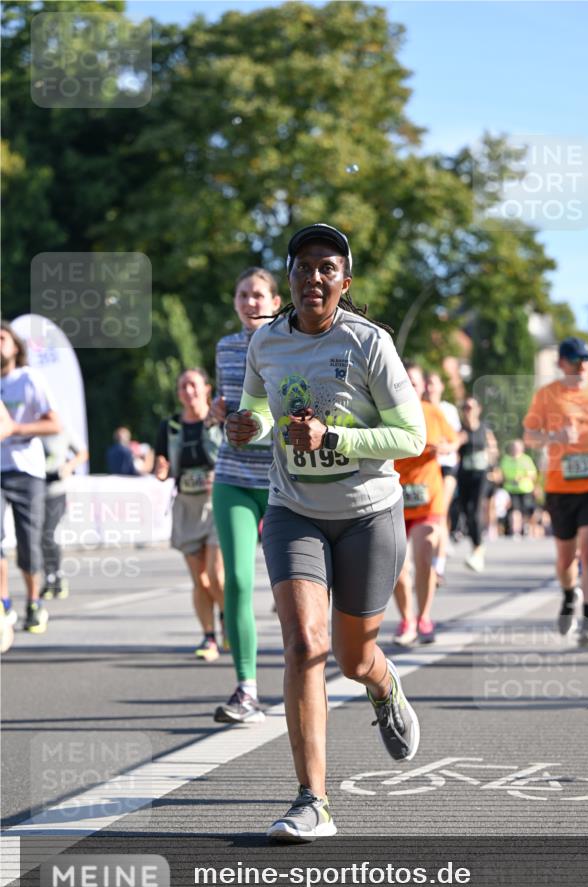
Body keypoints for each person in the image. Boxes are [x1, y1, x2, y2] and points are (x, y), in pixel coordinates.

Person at [225, 223, 426, 842]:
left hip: (369, 511)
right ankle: (313, 799)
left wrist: (335, 437)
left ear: (345, 282)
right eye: (304, 266)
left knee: (351, 656)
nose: (314, 277)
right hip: (295, 509)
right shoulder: (268, 344)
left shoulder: (369, 343)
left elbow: (411, 437)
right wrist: (247, 426)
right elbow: (260, 408)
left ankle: (384, 683)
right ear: (289, 278)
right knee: (302, 644)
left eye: (327, 268)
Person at [523, 336, 588, 648]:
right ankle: (570, 594)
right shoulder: (547, 395)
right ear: (561, 364)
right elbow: (529, 436)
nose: (583, 366)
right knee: (565, 558)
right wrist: (554, 436)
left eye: (587, 360)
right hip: (560, 486)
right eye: (575, 360)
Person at [210, 268, 281, 724]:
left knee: (297, 588)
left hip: (282, 480)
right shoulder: (225, 347)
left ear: (275, 300)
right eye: (243, 295)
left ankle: (317, 668)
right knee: (236, 581)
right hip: (233, 476)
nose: (250, 302)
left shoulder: (289, 344)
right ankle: (247, 689)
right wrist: (220, 411)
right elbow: (226, 405)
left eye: (258, 295)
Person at [154, 368, 225, 660]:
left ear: (207, 389)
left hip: (217, 502)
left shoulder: (220, 419)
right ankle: (209, 637)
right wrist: (160, 469)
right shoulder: (170, 425)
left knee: (214, 575)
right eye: (183, 386)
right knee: (200, 580)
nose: (189, 391)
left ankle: (230, 621)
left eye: (193, 385)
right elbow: (161, 459)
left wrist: (219, 474)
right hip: (186, 504)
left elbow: (237, 451)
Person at [1, 321, 61, 635]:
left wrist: (15, 429)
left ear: (15, 346)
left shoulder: (29, 379)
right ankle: (4, 604)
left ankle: (34, 602)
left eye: (1, 338)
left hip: (27, 471)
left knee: (28, 544)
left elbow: (54, 425)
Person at [393, 362, 458, 645]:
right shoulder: (387, 411)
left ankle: (424, 617)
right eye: (404, 381)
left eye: (415, 382)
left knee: (423, 558)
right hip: (395, 496)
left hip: (428, 496)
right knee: (396, 565)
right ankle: (407, 619)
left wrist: (444, 448)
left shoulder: (433, 412)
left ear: (422, 387)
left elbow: (454, 441)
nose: (410, 386)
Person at [41, 424, 89, 599]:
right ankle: (49, 576)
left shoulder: (62, 430)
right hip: (34, 490)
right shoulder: (29, 430)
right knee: (36, 537)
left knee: (47, 533)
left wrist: (69, 466)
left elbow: (82, 452)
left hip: (57, 490)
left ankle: (56, 575)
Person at [424, 371, 461, 581]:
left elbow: (455, 440)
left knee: (440, 513)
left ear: (441, 387)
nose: (430, 387)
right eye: (427, 383)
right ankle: (424, 560)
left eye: (433, 383)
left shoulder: (448, 410)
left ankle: (438, 566)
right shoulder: (416, 407)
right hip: (423, 468)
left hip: (445, 467)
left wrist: (445, 448)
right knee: (427, 515)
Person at [457, 396, 498, 572]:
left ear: (478, 409)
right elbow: (453, 450)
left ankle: (478, 547)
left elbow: (493, 449)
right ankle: (476, 546)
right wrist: (458, 440)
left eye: (471, 407)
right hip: (464, 474)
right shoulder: (459, 430)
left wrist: (494, 467)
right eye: (465, 407)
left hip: (481, 474)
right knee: (465, 510)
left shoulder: (484, 429)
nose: (468, 410)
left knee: (475, 509)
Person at [500, 439, 538, 538]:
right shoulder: (505, 460)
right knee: (514, 510)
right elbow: (501, 475)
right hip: (511, 490)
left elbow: (533, 475)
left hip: (525, 490)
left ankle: (526, 530)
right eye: (514, 447)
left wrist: (522, 478)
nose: (515, 449)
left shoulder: (526, 460)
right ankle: (516, 531)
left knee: (526, 511)